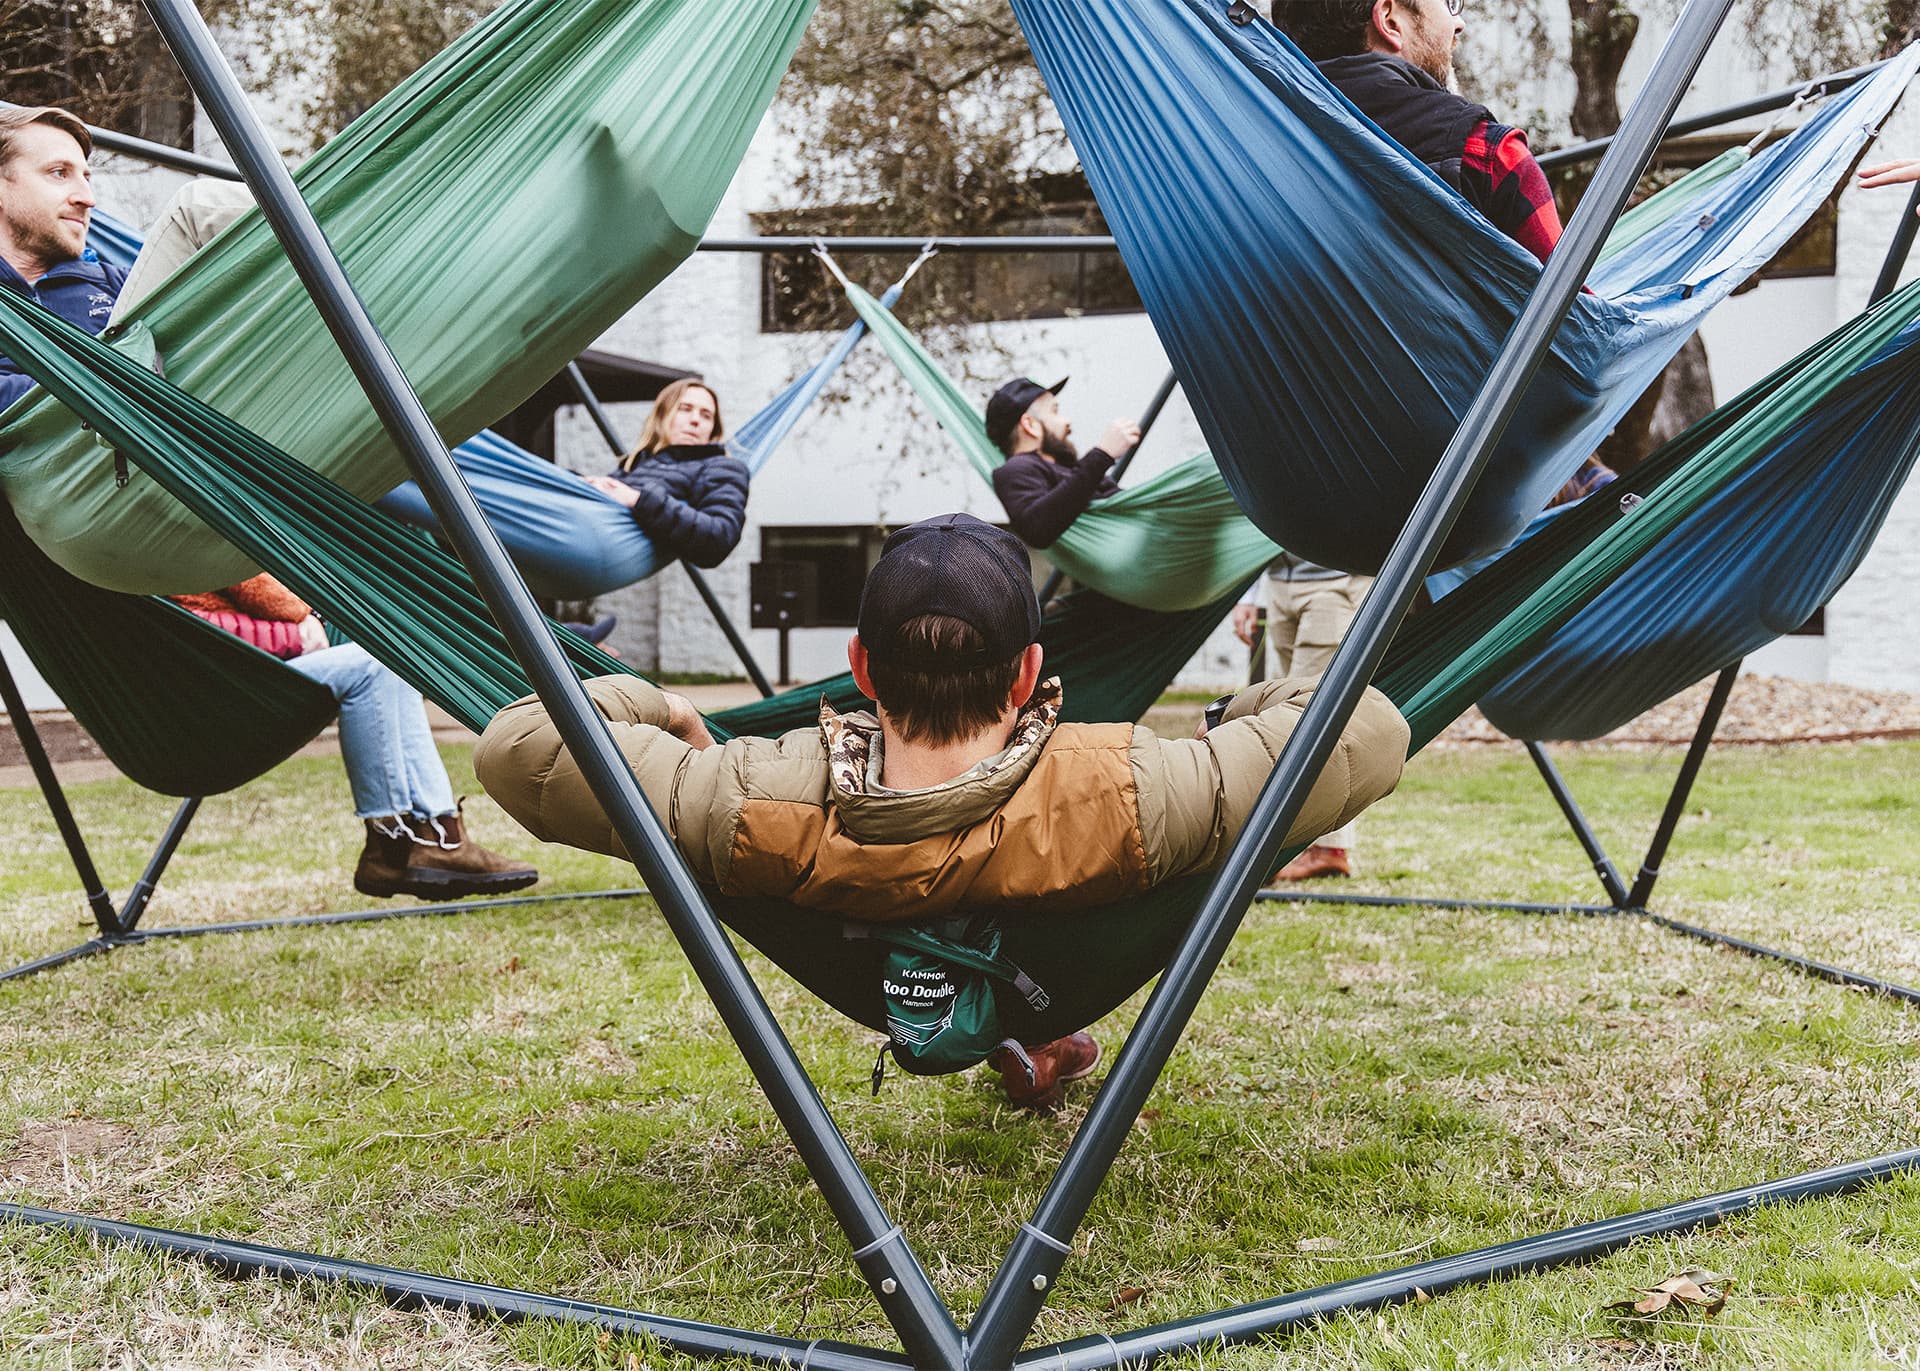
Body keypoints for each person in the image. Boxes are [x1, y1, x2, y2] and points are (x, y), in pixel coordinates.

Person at [475, 514, 1410, 1108]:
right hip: (1064, 964)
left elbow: (518, 749)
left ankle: (1034, 1039)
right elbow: (1367, 728)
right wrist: (1227, 715)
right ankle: (1040, 1029)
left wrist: (665, 705)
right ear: (1029, 673)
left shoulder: (753, 794)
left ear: (862, 668)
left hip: (857, 945)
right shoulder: (1131, 788)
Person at [0, 106, 538, 903]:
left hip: (154, 455)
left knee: (379, 656)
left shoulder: (97, 278)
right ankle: (389, 236)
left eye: (87, 173)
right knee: (193, 211)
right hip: (79, 475)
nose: (86, 194)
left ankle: (418, 840)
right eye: (59, 173)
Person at [170, 575, 541, 901]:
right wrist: (301, 622)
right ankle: (394, 843)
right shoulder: (178, 546)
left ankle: (440, 835)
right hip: (225, 690)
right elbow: (255, 600)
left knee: (394, 661)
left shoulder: (145, 552)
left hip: (229, 681)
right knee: (375, 664)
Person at [1267, 0, 1564, 263]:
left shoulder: (1259, 152)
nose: (1458, 23)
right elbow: (1574, 316)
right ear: (1390, 20)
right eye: (1449, 3)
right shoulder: (1488, 156)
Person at [1230, 555, 1373, 880]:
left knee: (1312, 721)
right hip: (1280, 583)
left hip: (1336, 583)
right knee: (1279, 717)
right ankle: (1287, 845)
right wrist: (1247, 597)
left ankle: (1329, 848)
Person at [583, 378, 750, 568]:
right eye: (685, 409)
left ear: (713, 430)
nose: (695, 420)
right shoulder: (636, 463)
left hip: (600, 554)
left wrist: (639, 499)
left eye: (706, 415)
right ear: (662, 417)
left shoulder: (723, 467)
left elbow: (719, 539)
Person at [986, 376, 1141, 548]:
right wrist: (1102, 455)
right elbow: (1036, 529)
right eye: (1054, 411)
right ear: (1029, 424)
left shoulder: (1068, 467)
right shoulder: (1015, 470)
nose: (1067, 422)